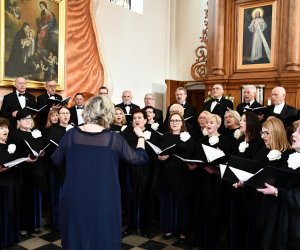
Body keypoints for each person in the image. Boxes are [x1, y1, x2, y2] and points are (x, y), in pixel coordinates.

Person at [51, 95, 148, 250]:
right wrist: (141, 138)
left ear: (88, 111)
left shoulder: (70, 135)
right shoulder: (113, 139)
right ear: (108, 113)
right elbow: (138, 159)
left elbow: (55, 159)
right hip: (104, 198)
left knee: (76, 238)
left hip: (75, 196)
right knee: (102, 239)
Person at [246, 117, 292, 250]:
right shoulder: (265, 152)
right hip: (261, 203)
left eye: (266, 133)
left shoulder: (288, 156)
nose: (263, 136)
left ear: (276, 132)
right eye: (262, 133)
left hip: (276, 209)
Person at [8, 109, 46, 236]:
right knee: (23, 199)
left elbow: (41, 149)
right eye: (24, 119)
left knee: (34, 198)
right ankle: (22, 226)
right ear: (18, 121)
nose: (28, 121)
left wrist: (42, 152)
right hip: (22, 171)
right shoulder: (15, 134)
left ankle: (34, 225)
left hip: (36, 170)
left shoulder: (36, 133)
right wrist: (26, 158)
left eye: (30, 119)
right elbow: (12, 152)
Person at [121, 109, 159, 237]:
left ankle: (145, 227)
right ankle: (131, 226)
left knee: (145, 198)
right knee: (130, 197)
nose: (137, 120)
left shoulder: (152, 134)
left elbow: (154, 153)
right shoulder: (126, 133)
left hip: (146, 171)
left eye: (139, 118)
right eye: (135, 118)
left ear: (145, 120)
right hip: (130, 170)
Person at [158, 112, 194, 241]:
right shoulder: (164, 137)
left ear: (182, 123)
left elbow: (191, 154)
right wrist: (160, 157)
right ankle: (168, 228)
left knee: (181, 202)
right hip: (167, 172)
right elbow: (160, 152)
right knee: (169, 201)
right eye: (172, 120)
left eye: (177, 120)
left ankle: (182, 229)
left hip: (183, 174)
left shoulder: (187, 137)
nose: (174, 123)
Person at [46, 106, 71, 231]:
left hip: (71, 167)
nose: (65, 115)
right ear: (58, 116)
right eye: (63, 113)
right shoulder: (52, 130)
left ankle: (69, 222)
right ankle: (57, 224)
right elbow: (50, 149)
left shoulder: (74, 129)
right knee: (57, 194)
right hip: (57, 167)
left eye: (67, 113)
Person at [0, 117, 20, 248]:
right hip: (1, 184)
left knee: (10, 210)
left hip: (10, 182)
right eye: (1, 128)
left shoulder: (10, 145)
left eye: (6, 127)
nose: (5, 130)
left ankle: (9, 238)